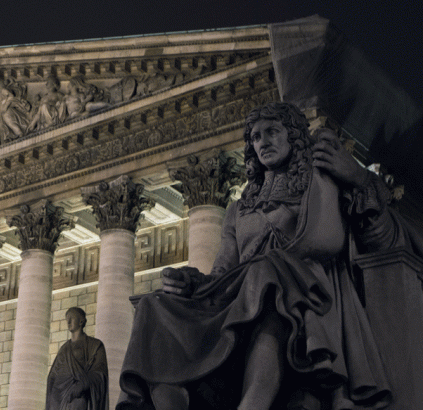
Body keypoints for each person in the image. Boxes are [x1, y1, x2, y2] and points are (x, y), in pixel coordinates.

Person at [117, 102, 416, 410]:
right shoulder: (238, 209)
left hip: (305, 298)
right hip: (240, 297)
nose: (263, 142)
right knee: (154, 305)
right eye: (256, 137)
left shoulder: (320, 189)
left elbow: (381, 235)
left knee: (267, 274)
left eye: (272, 132)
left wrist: (358, 178)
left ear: (294, 137)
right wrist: (190, 281)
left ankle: (254, 402)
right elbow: (221, 274)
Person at [47, 307, 109, 410]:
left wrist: (83, 384)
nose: (68, 322)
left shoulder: (95, 345)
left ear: (81, 321)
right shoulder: (64, 349)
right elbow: (53, 377)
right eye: (67, 319)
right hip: (60, 399)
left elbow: (99, 373)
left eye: (72, 318)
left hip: (80, 398)